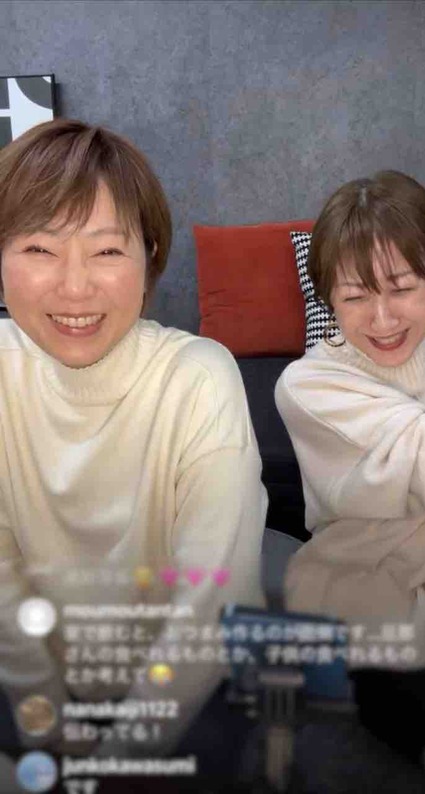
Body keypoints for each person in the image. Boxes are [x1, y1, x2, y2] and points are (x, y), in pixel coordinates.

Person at [0, 118, 267, 771]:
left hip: (188, 682)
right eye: (39, 248)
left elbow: (212, 599)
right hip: (36, 674)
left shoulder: (198, 377)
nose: (75, 287)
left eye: (106, 251)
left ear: (148, 259)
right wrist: (50, 723)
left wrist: (121, 757)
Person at [275, 171, 425, 789]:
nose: (383, 318)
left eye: (402, 288)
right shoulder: (308, 386)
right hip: (380, 606)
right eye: (356, 296)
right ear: (329, 299)